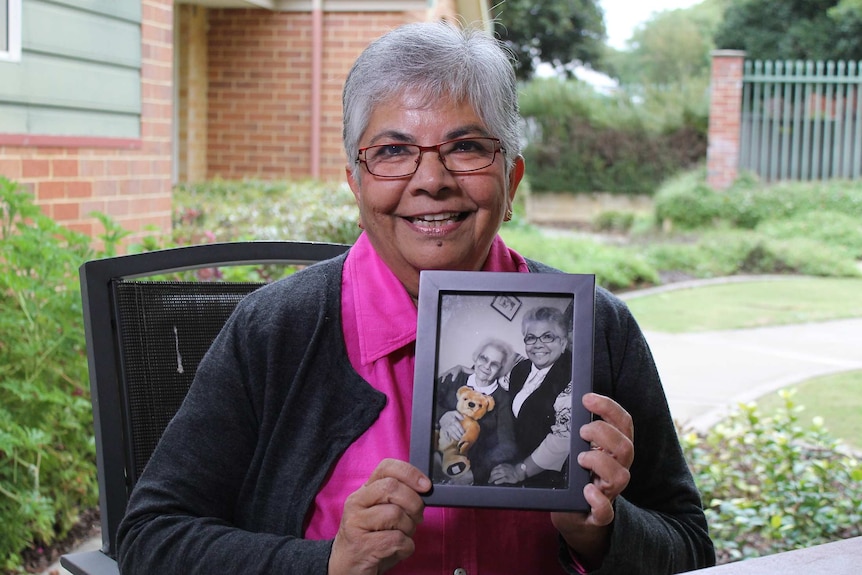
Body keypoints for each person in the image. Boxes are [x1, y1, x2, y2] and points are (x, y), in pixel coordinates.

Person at [117, 20, 715, 575]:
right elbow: (152, 538)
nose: (431, 180)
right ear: (356, 184)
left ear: (511, 181)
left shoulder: (596, 328)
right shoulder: (276, 328)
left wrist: (605, 533)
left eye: (467, 147)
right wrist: (325, 563)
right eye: (393, 151)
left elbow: (691, 544)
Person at [488, 306, 573, 489]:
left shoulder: (572, 378)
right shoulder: (521, 367)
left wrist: (520, 471)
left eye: (548, 336)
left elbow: (562, 440)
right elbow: (496, 381)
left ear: (564, 343)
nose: (538, 344)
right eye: (531, 338)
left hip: (546, 477)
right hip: (515, 457)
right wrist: (466, 371)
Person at [434, 338, 517, 485]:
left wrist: (474, 474)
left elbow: (507, 446)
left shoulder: (503, 398)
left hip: (469, 466)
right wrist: (442, 416)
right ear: (477, 357)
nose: (486, 366)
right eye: (483, 358)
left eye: (494, 364)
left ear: (500, 370)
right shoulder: (455, 377)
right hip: (436, 453)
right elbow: (426, 400)